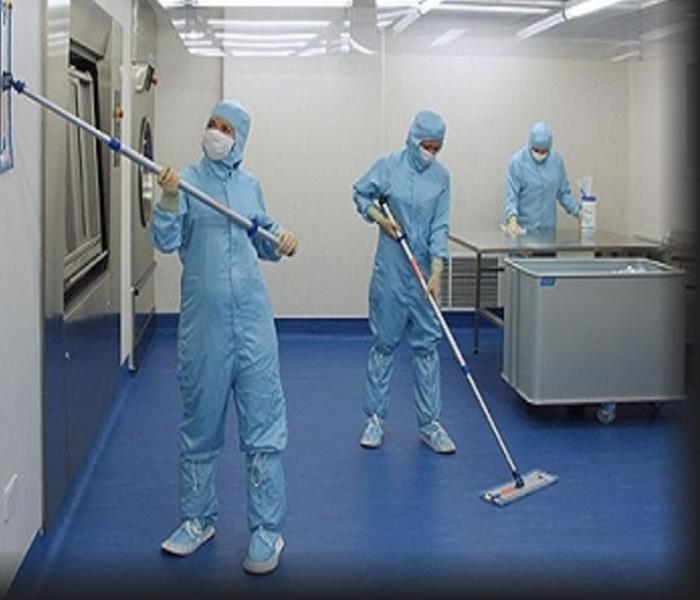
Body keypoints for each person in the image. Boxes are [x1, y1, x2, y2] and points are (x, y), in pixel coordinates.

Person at [150, 100, 298, 575]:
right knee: (200, 427)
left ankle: (266, 532)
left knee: (264, 431)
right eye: (212, 124)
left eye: (226, 128)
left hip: (253, 326)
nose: (215, 132)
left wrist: (280, 237)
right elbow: (166, 241)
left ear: (241, 138)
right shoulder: (186, 181)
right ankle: (197, 520)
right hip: (205, 328)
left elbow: (262, 237)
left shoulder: (250, 185)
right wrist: (170, 198)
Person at [352, 109, 456, 454]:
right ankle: (375, 420)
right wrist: (379, 218)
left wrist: (438, 268)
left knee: (427, 346)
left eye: (436, 147)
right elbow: (361, 194)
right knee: (385, 342)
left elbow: (440, 225)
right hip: (394, 270)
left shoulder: (441, 178)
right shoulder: (389, 166)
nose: (430, 152)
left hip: (423, 271)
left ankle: (430, 425)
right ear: (413, 139)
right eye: (426, 145)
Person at [503, 121, 582, 235]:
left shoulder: (556, 161)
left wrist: (578, 212)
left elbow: (563, 193)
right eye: (536, 150)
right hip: (523, 233)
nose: (540, 153)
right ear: (530, 144)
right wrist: (512, 219)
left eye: (544, 151)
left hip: (548, 235)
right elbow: (512, 196)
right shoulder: (518, 162)